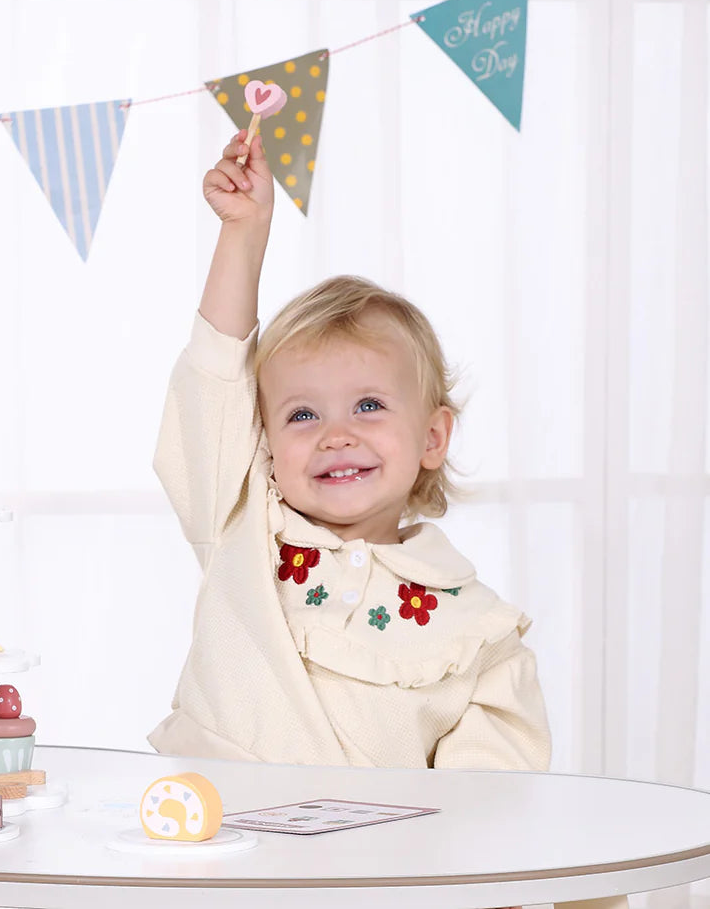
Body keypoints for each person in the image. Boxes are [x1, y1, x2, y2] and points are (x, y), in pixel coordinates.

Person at [147, 128, 551, 771]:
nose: (337, 434)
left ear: (433, 437)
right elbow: (215, 378)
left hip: (373, 867)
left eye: (369, 406)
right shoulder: (241, 523)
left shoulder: (479, 633)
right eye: (302, 414)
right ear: (264, 443)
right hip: (216, 847)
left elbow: (486, 808)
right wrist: (244, 233)